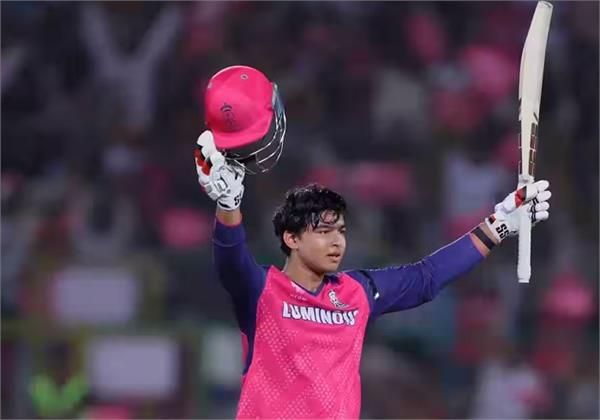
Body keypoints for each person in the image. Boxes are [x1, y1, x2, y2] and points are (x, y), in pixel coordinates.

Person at [194, 66, 552, 418]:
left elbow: (427, 277)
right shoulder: (263, 291)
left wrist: (499, 224)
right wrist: (228, 205)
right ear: (292, 238)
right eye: (324, 231)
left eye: (341, 231)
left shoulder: (357, 293)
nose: (337, 242)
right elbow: (231, 263)